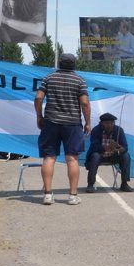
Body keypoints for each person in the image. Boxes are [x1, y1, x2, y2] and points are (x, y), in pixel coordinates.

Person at [34, 53, 91, 205]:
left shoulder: (49, 78)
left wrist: (39, 116)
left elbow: (38, 97)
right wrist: (88, 122)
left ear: (59, 64)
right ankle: (72, 196)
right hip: (72, 124)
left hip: (51, 122)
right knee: (72, 158)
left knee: (49, 157)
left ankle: (47, 195)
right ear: (74, 65)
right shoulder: (79, 80)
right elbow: (84, 103)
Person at [85, 113, 132, 193]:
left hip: (113, 155)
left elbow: (125, 147)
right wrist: (107, 148)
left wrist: (120, 149)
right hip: (100, 155)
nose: (110, 125)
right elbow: (94, 147)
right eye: (108, 123)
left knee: (126, 156)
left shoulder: (119, 130)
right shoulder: (96, 130)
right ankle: (90, 184)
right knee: (95, 156)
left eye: (112, 123)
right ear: (102, 123)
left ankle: (124, 183)